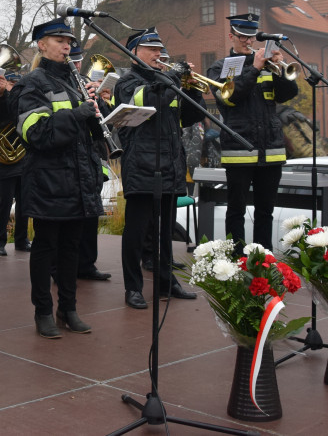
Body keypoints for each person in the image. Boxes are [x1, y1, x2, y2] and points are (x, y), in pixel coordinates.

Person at [17, 19, 104, 338]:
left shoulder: (77, 80)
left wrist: (99, 110)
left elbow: (91, 133)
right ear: (41, 44)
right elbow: (35, 133)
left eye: (69, 41)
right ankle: (43, 312)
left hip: (79, 178)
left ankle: (68, 309)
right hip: (48, 180)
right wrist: (77, 113)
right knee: (45, 248)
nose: (67, 46)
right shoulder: (34, 82)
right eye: (59, 40)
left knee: (71, 249)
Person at [116, 28, 202, 310]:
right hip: (142, 165)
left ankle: (167, 282)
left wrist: (191, 88)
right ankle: (133, 287)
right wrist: (174, 77)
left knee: (165, 232)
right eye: (152, 49)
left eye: (160, 50)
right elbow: (147, 100)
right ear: (134, 52)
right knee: (137, 230)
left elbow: (190, 116)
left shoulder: (168, 82)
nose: (159, 54)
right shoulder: (128, 83)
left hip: (169, 164)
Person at [207, 13, 298, 253]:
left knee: (265, 210)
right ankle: (237, 257)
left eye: (251, 36)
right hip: (240, 149)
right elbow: (231, 99)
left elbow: (287, 94)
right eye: (243, 36)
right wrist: (255, 68)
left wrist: (279, 66)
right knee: (236, 209)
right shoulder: (221, 67)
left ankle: (263, 258)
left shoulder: (268, 64)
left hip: (271, 149)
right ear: (231, 36)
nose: (248, 40)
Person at [71, 39, 113, 282]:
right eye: (74, 60)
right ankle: (65, 265)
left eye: (78, 60)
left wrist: (102, 101)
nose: (76, 65)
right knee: (72, 216)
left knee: (91, 212)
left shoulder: (86, 84)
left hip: (92, 154)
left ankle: (87, 264)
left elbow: (104, 123)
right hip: (71, 155)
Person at [0, 71, 31, 256]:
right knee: (4, 202)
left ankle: (22, 240)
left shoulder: (25, 98)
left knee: (25, 203)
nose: (13, 87)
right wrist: (1, 92)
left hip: (24, 157)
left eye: (15, 85)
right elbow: (3, 113)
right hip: (6, 159)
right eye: (11, 83)